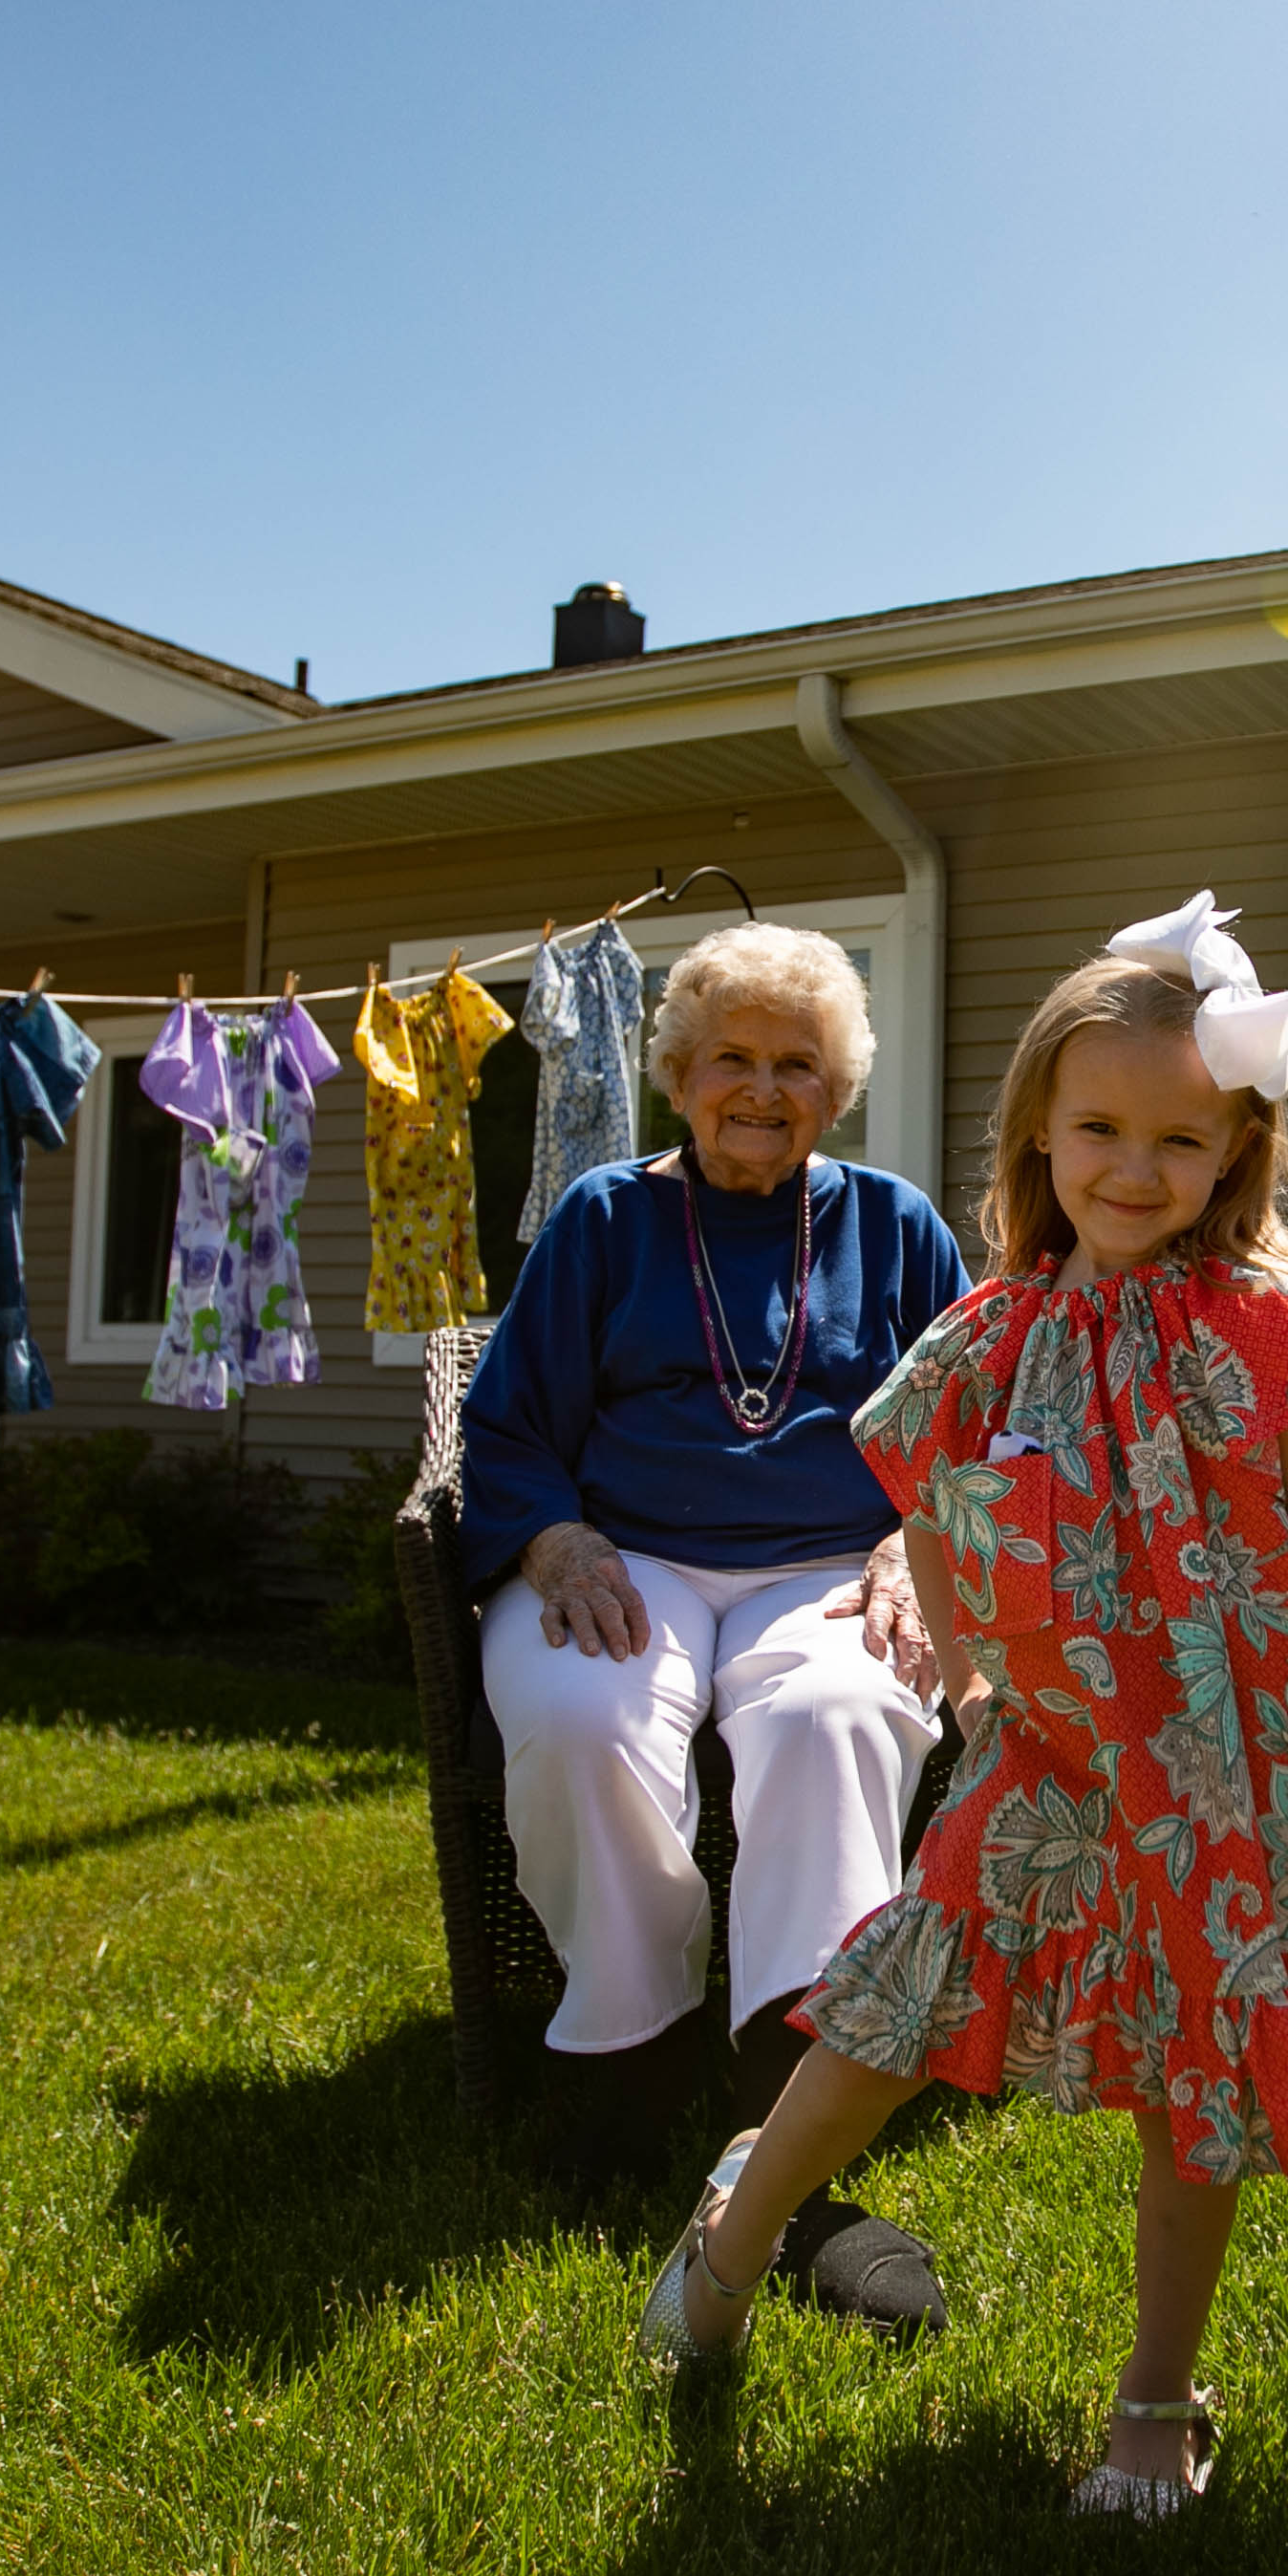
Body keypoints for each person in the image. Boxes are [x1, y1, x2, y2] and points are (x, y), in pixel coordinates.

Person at [633, 894, 1288, 2522]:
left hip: (1251, 1759)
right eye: (1098, 1127)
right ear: (1037, 1129)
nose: (1132, 1168)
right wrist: (967, 1679)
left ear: (1234, 1153)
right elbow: (939, 1516)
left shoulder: (1268, 1332)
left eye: (1179, 1140)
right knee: (905, 2000)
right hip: (1057, 1753)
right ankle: (741, 2224)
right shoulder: (985, 1340)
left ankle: (1156, 2398)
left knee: (1209, 2054)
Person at [457, 920, 969, 2329]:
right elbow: (501, 1423)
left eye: (794, 1064)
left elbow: (966, 1432)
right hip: (627, 1554)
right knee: (581, 1717)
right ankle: (624, 2061)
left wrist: (912, 1554)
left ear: (836, 1087)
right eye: (730, 1058)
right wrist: (554, 1538)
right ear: (677, 1074)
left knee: (841, 1713)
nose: (760, 1089)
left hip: (832, 1565)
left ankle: (788, 2131)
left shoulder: (893, 1224)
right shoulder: (606, 1216)